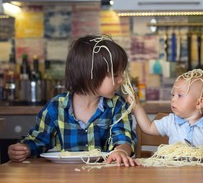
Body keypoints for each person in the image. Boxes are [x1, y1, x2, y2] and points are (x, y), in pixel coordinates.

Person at [8, 34, 138, 166]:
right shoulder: (56, 106)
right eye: (115, 75)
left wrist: (121, 151)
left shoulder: (117, 105)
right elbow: (39, 140)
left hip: (105, 176)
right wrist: (24, 149)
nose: (121, 80)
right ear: (90, 76)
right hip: (64, 177)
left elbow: (123, 138)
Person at [129, 69, 203, 148]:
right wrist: (137, 106)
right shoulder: (171, 121)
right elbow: (148, 127)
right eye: (173, 95)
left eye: (179, 95)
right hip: (176, 173)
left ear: (199, 102)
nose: (173, 99)